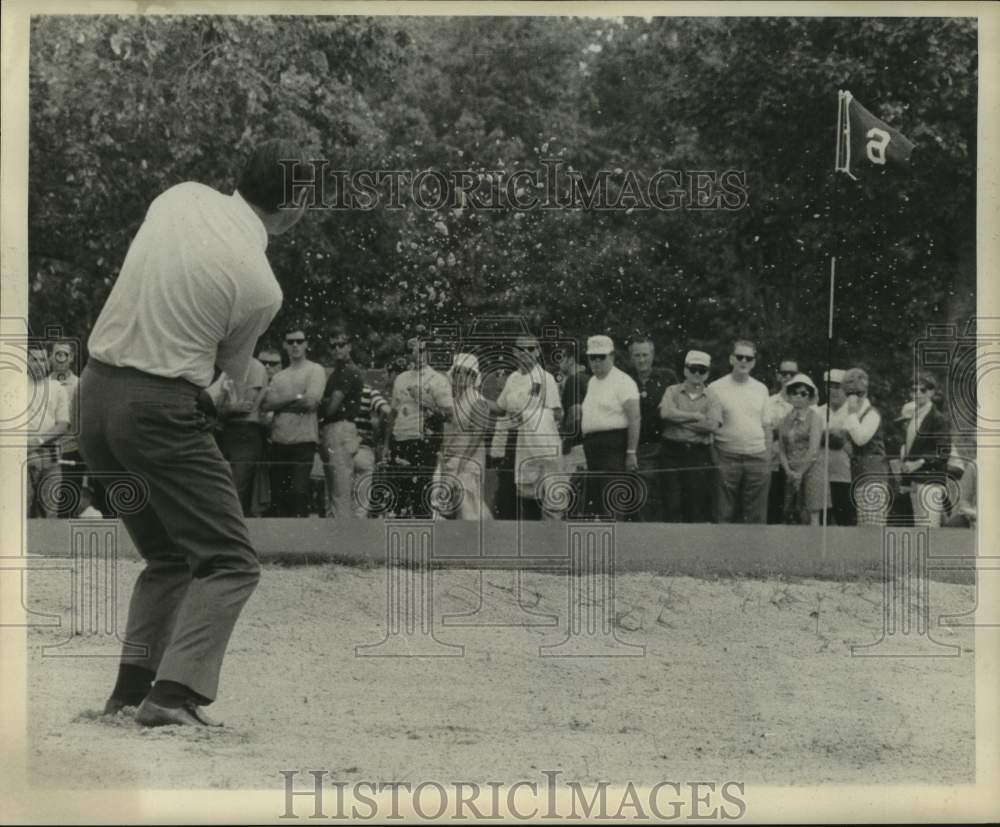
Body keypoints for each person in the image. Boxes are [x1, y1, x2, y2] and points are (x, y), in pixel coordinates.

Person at [80, 139, 309, 727]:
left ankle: (130, 693)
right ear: (295, 205)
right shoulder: (261, 285)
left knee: (167, 556)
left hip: (93, 395)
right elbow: (222, 385)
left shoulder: (179, 197)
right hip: (157, 406)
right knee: (231, 561)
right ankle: (173, 696)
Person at [496, 333, 563, 520]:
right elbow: (500, 408)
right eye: (521, 349)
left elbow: (556, 413)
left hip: (535, 443)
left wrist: (529, 418)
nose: (526, 353)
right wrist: (477, 400)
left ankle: (535, 543)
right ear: (514, 352)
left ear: (538, 351)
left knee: (533, 497)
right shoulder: (513, 378)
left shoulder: (545, 378)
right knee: (507, 498)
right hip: (513, 440)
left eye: (531, 349)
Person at [260, 328, 327, 517]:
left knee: (298, 493)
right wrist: (296, 396)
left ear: (306, 344)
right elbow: (265, 405)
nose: (295, 345)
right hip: (279, 441)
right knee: (279, 497)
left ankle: (300, 542)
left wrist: (281, 405)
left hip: (303, 441)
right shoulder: (280, 376)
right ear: (284, 345)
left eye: (299, 341)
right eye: (290, 342)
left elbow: (311, 403)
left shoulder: (315, 370)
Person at [384, 336, 453, 517]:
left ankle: (422, 536)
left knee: (421, 496)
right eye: (413, 351)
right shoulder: (401, 378)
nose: (419, 355)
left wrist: (424, 399)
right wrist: (385, 444)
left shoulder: (438, 379)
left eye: (423, 351)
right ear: (407, 355)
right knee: (397, 496)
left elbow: (449, 415)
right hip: (400, 441)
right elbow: (392, 413)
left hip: (424, 443)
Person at [708, 339, 771, 523]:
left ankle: (755, 552)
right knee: (723, 513)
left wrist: (766, 456)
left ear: (754, 362)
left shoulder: (761, 389)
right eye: (739, 356)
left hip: (757, 457)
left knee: (756, 517)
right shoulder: (715, 388)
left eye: (748, 358)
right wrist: (716, 459)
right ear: (731, 359)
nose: (744, 361)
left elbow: (767, 425)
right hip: (727, 456)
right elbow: (711, 428)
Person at [579, 335, 640, 519]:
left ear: (612, 356)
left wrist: (631, 452)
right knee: (595, 503)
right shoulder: (592, 382)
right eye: (593, 357)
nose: (597, 362)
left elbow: (635, 418)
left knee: (612, 501)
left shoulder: (623, 381)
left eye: (601, 357)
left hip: (613, 447)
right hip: (593, 449)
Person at [659, 349, 720, 523]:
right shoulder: (671, 391)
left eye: (702, 370)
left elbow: (712, 425)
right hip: (672, 451)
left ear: (707, 373)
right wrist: (695, 416)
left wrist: (679, 420)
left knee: (695, 506)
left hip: (698, 454)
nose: (697, 374)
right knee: (671, 505)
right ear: (685, 370)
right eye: (693, 369)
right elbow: (665, 414)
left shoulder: (713, 397)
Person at [435, 353, 494, 521]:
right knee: (445, 509)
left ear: (474, 377)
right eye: (459, 371)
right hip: (448, 461)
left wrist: (463, 461)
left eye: (468, 373)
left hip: (469, 461)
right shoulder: (451, 400)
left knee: (469, 510)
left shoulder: (477, 400)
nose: (462, 376)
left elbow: (479, 434)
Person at [627, 335, 676, 522]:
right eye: (637, 355)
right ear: (631, 357)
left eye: (645, 355)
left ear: (653, 355)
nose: (641, 360)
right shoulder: (626, 380)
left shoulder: (667, 377)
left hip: (665, 446)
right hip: (637, 446)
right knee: (641, 497)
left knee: (665, 496)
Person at [215, 355, 269, 516]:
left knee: (238, 488)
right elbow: (218, 406)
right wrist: (227, 408)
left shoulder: (254, 366)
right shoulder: (227, 368)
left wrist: (225, 409)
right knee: (224, 487)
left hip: (245, 431)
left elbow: (247, 406)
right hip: (227, 432)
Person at [319, 331, 365, 519]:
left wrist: (321, 403)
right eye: (333, 345)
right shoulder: (337, 371)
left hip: (340, 427)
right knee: (333, 489)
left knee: (340, 489)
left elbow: (331, 407)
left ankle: (343, 539)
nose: (337, 349)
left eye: (341, 344)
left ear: (349, 346)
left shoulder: (348, 370)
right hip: (334, 428)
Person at [901, 372, 952, 527]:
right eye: (913, 390)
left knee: (929, 529)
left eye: (922, 390)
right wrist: (906, 480)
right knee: (919, 528)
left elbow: (944, 451)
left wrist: (920, 461)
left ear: (930, 392)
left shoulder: (938, 418)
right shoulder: (914, 417)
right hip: (916, 480)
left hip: (931, 480)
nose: (916, 393)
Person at [25, 344, 70, 518]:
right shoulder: (13, 386)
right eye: (33, 359)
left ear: (49, 362)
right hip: (22, 459)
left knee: (49, 513)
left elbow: (63, 424)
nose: (38, 364)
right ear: (26, 361)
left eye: (42, 359)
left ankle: (45, 546)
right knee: (22, 510)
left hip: (50, 458)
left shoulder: (57, 388)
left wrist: (37, 442)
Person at [841, 367, 889, 525]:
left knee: (872, 531)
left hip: (874, 479)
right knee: (863, 530)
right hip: (860, 478)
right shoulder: (854, 415)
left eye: (858, 393)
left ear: (866, 391)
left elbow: (861, 439)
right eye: (849, 393)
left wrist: (852, 414)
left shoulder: (872, 414)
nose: (854, 398)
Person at [777, 374, 826, 525]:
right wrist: (789, 471)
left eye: (803, 393)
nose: (798, 396)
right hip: (791, 470)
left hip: (811, 469)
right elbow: (781, 449)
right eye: (794, 392)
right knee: (792, 513)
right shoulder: (784, 419)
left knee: (812, 514)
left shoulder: (815, 418)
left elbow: (813, 449)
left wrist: (800, 473)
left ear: (809, 396)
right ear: (789, 395)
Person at [817, 369, 856, 526]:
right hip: (821, 476)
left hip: (846, 477)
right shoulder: (817, 411)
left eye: (837, 386)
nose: (833, 391)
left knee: (845, 522)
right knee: (821, 523)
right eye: (829, 386)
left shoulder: (853, 412)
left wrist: (825, 435)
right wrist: (836, 435)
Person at [765, 358, 799, 524]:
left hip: (798, 464)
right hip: (775, 462)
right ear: (778, 376)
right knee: (774, 508)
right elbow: (767, 430)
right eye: (784, 373)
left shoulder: (805, 402)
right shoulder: (770, 402)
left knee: (797, 512)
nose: (788, 377)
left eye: (792, 374)